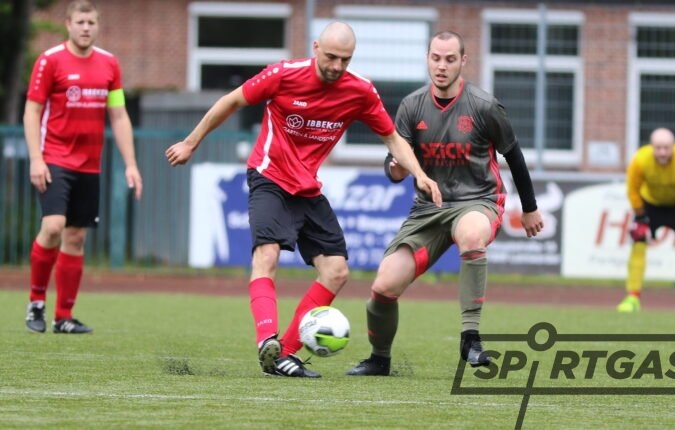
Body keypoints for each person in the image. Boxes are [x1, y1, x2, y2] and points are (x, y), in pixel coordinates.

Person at [165, 21, 442, 378]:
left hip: (307, 188)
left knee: (337, 271)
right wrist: (191, 142)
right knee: (266, 256)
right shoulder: (283, 75)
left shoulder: (360, 91)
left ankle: (283, 355)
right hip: (269, 177)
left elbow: (392, 138)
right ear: (315, 48)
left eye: (345, 59)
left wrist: (419, 174)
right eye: (331, 57)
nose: (337, 66)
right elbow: (231, 101)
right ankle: (267, 339)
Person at [346, 31, 544, 376]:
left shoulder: (484, 106)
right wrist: (396, 167)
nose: (441, 66)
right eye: (436, 58)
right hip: (428, 210)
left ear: (462, 62)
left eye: (450, 59)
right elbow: (394, 165)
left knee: (471, 236)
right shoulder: (412, 106)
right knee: (383, 287)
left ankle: (470, 338)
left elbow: (514, 155)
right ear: (427, 58)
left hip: (478, 201)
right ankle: (379, 359)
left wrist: (529, 208)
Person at [23, 0, 142, 334]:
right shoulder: (49, 61)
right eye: (80, 22)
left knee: (75, 237)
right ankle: (36, 302)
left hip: (90, 165)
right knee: (53, 226)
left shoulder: (109, 64)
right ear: (68, 24)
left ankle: (63, 316)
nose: (86, 28)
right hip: (55, 158)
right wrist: (36, 158)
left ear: (98, 25)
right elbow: (32, 111)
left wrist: (131, 164)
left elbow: (118, 115)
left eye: (91, 22)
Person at [617, 127, 675, 315]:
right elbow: (633, 189)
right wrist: (640, 213)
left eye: (666, 147)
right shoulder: (640, 160)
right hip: (650, 204)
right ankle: (632, 297)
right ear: (652, 147)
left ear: (674, 146)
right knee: (638, 240)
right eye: (658, 148)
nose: (662, 152)